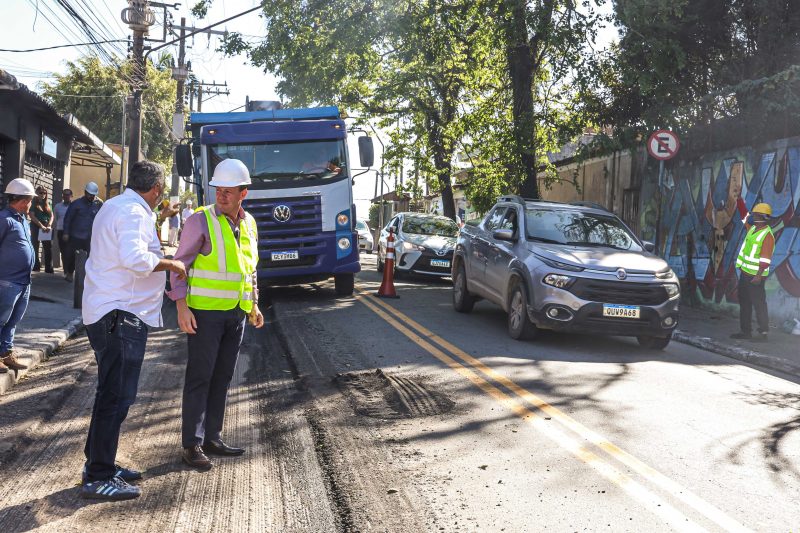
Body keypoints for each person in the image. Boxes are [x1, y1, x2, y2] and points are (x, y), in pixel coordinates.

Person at [80, 161, 186, 501]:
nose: (161, 198)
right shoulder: (135, 213)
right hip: (120, 316)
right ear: (155, 189)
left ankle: (100, 465)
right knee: (116, 397)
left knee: (108, 395)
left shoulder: (115, 205)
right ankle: (98, 476)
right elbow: (136, 259)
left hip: (109, 313)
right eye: (162, 191)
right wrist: (172, 263)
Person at [167, 158, 264, 471]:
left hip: (235, 314)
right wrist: (181, 305)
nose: (221, 196)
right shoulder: (200, 220)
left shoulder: (249, 224)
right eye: (218, 190)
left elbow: (249, 269)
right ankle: (191, 444)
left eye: (228, 191)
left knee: (222, 377)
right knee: (200, 378)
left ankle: (212, 436)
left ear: (242, 194)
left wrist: (254, 304)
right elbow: (180, 265)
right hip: (204, 314)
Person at [0, 178, 36, 374]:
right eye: (30, 200)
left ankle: (6, 354)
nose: (30, 203)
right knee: (1, 319)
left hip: (24, 281)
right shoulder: (4, 219)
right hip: (7, 281)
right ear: (23, 200)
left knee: (13, 320)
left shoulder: (22, 219)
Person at [730, 201, 774, 341]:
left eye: (755, 215)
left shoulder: (766, 235)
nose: (753, 216)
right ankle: (745, 331)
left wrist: (758, 276)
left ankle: (763, 333)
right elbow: (744, 216)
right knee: (745, 303)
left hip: (756, 277)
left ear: (762, 217)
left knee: (759, 304)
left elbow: (765, 259)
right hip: (745, 274)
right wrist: (739, 200)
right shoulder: (752, 229)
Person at [63, 181, 103, 258]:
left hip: (91, 237)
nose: (91, 196)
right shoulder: (76, 204)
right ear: (85, 192)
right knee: (72, 257)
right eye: (89, 194)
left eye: (93, 195)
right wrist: (66, 233)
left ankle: (85, 270)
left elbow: (102, 219)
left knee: (89, 258)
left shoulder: (99, 204)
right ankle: (70, 270)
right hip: (76, 236)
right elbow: (68, 218)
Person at [29, 185, 54, 273]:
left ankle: (49, 268)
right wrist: (41, 226)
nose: (43, 194)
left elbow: (51, 216)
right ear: (37, 193)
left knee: (48, 247)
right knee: (35, 246)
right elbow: (32, 215)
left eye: (44, 193)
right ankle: (36, 266)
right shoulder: (33, 202)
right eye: (41, 193)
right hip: (36, 225)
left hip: (46, 226)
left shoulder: (48, 203)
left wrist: (49, 225)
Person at [53, 189, 73, 281]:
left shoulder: (74, 206)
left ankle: (70, 271)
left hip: (71, 232)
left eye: (68, 195)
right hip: (61, 231)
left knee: (71, 252)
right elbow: (55, 218)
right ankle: (66, 271)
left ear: (71, 196)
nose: (66, 196)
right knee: (64, 252)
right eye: (64, 195)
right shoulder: (58, 206)